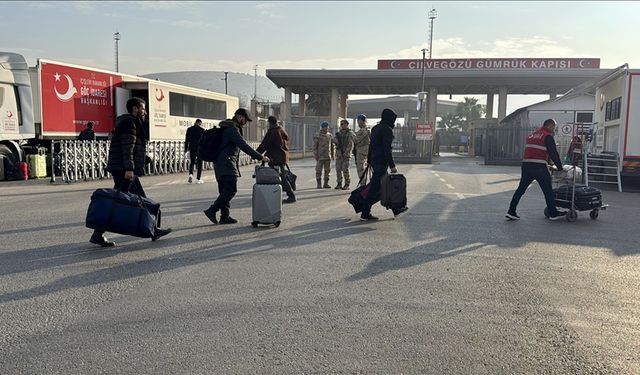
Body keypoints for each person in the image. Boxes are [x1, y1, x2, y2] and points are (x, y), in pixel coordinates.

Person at [89, 98, 172, 247]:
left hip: (122, 167)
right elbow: (128, 147)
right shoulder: (130, 123)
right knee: (124, 201)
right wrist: (129, 168)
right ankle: (99, 233)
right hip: (123, 169)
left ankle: (152, 229)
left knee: (124, 200)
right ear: (134, 108)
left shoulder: (129, 122)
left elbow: (130, 146)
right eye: (142, 108)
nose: (144, 111)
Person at [203, 108, 270, 224]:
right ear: (239, 117)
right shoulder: (232, 129)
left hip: (220, 163)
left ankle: (225, 216)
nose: (245, 123)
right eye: (245, 120)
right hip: (227, 164)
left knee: (224, 191)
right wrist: (260, 157)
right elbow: (243, 145)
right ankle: (212, 210)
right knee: (230, 190)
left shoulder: (226, 127)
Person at [506, 118, 567, 221]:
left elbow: (537, 150)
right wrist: (560, 168)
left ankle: (511, 211)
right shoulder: (547, 136)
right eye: (554, 127)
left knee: (520, 190)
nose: (554, 130)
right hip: (539, 167)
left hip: (526, 165)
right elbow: (553, 153)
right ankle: (553, 213)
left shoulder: (532, 135)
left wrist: (549, 162)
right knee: (548, 190)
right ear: (550, 126)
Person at [360, 108, 408, 221]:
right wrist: (392, 165)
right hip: (381, 162)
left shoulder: (375, 128)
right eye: (393, 119)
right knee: (375, 188)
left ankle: (396, 210)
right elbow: (387, 149)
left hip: (375, 161)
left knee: (385, 187)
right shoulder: (387, 130)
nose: (394, 122)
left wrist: (369, 160)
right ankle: (365, 213)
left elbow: (371, 146)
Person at [256, 116, 296, 203]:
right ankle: (276, 194)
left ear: (270, 123)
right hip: (282, 156)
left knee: (280, 176)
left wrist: (256, 153)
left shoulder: (272, 132)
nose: (267, 125)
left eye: (268, 123)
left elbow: (264, 144)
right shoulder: (281, 130)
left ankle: (291, 195)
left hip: (276, 158)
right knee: (279, 175)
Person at [333, 119, 355, 190]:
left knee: (345, 169)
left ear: (346, 124)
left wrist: (347, 152)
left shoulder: (350, 133)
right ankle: (339, 183)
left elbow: (350, 144)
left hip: (346, 154)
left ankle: (347, 184)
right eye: (341, 124)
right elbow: (334, 140)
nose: (341, 125)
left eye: (343, 124)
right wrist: (336, 141)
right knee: (338, 169)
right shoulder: (339, 134)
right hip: (339, 154)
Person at [313, 121, 335, 189]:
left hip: (327, 156)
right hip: (320, 156)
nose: (326, 129)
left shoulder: (330, 135)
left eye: (327, 127)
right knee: (318, 170)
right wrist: (315, 155)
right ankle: (319, 184)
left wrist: (333, 154)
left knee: (327, 171)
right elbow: (315, 146)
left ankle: (326, 183)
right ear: (322, 128)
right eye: (325, 127)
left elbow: (332, 146)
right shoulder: (317, 135)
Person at [185, 118, 205, 184]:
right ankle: (198, 179)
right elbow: (204, 141)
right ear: (200, 123)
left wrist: (186, 149)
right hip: (200, 149)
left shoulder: (189, 129)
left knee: (192, 162)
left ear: (195, 122)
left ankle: (190, 174)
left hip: (192, 148)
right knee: (200, 164)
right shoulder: (202, 130)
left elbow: (186, 140)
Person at [353, 114, 371, 186]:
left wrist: (352, 135)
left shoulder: (363, 130)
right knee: (364, 168)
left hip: (361, 151)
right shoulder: (367, 129)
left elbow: (356, 140)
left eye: (358, 121)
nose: (357, 122)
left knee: (360, 169)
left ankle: (363, 185)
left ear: (362, 121)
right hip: (365, 151)